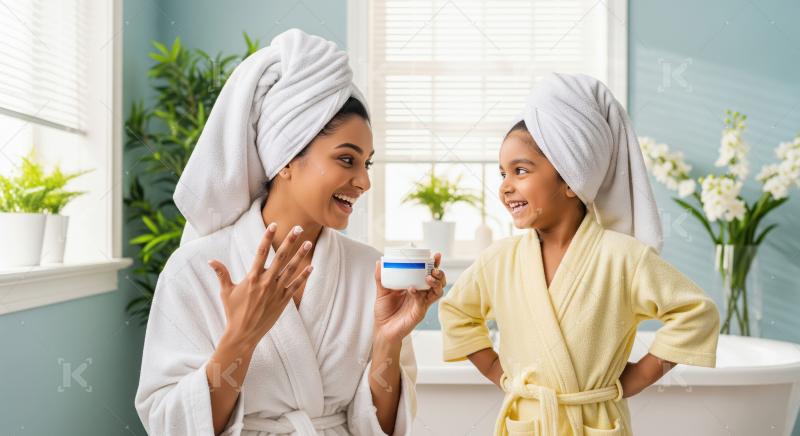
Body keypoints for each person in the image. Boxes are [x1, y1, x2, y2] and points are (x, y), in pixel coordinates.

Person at [135, 29, 445, 436]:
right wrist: (240, 339)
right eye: (346, 159)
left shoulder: (370, 270)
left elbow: (382, 429)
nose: (363, 182)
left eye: (366, 164)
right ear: (285, 159)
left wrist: (388, 341)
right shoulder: (194, 269)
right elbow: (168, 424)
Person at [438, 73, 720, 436]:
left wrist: (638, 377)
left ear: (571, 179)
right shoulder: (500, 259)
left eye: (521, 171)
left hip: (594, 420)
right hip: (526, 421)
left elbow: (696, 312)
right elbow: (457, 312)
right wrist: (498, 371)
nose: (506, 186)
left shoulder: (623, 257)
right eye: (502, 173)